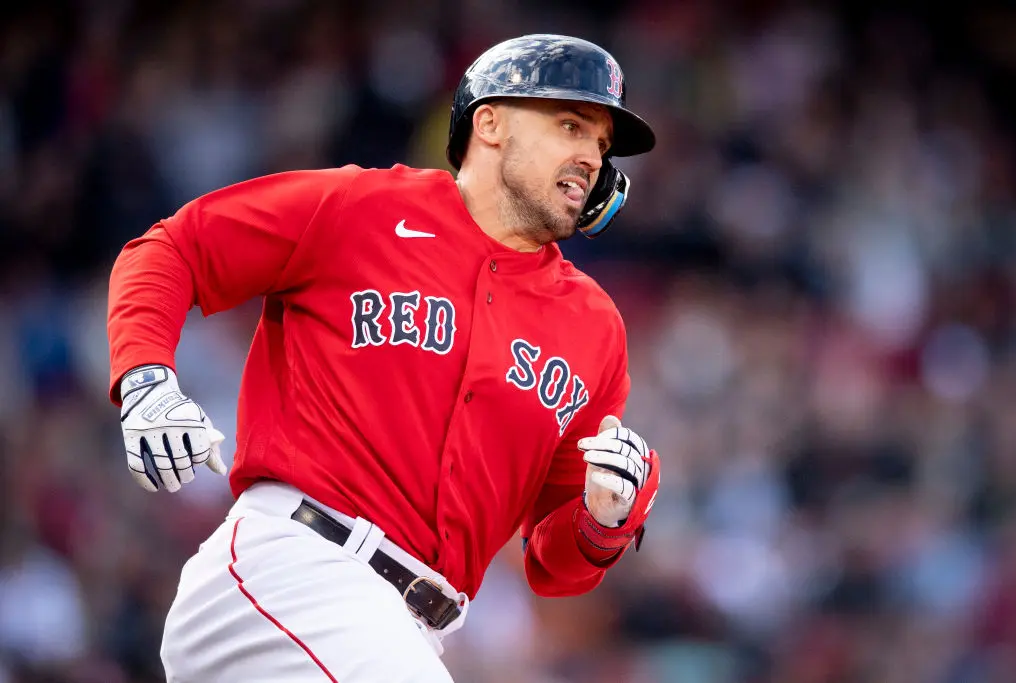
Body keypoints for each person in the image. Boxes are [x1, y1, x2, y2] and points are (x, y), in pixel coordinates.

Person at [107, 33, 662, 683]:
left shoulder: (594, 328)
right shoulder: (361, 209)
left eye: (600, 143)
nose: (590, 156)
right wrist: (146, 375)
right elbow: (175, 249)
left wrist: (605, 518)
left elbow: (553, 565)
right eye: (571, 124)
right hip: (293, 566)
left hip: (409, 628)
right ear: (489, 123)